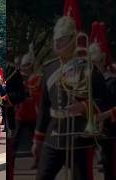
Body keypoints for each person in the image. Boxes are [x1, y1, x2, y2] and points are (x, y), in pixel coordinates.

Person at [32, 15, 109, 180]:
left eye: (63, 39)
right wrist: (37, 139)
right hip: (54, 135)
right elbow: (44, 108)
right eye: (56, 39)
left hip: (79, 136)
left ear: (74, 39)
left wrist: (84, 107)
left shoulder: (88, 68)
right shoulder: (49, 69)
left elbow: (105, 102)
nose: (58, 43)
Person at [89, 21, 116, 180]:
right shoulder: (93, 81)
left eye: (95, 61)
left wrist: (103, 116)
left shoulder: (113, 80)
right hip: (99, 131)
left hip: (112, 130)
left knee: (111, 169)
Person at [13, 44, 42, 169]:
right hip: (22, 114)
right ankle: (11, 162)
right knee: (15, 140)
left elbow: (36, 95)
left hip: (34, 114)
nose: (24, 68)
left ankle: (38, 161)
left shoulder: (37, 78)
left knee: (36, 140)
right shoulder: (19, 79)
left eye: (26, 66)